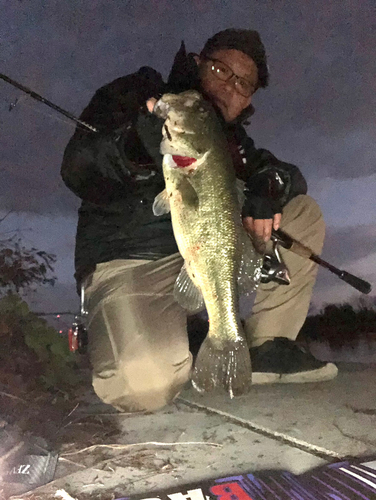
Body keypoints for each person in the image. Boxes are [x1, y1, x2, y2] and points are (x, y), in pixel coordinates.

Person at [61, 29, 337, 413]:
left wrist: (266, 188)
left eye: (244, 83)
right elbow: (78, 170)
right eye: (221, 69)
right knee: (142, 385)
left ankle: (265, 344)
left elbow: (284, 173)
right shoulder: (138, 93)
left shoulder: (235, 143)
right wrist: (133, 146)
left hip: (212, 251)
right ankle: (157, 334)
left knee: (302, 212)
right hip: (133, 258)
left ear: (249, 99)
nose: (230, 86)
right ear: (196, 63)